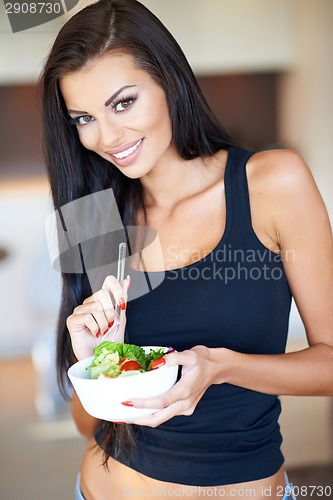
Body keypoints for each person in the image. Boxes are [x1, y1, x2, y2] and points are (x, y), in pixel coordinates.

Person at [40, 0, 333, 498]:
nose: (107, 136)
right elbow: (87, 422)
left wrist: (221, 367)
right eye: (83, 117)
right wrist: (97, 360)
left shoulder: (271, 184)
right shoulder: (91, 217)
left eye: (123, 102)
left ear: (168, 81)